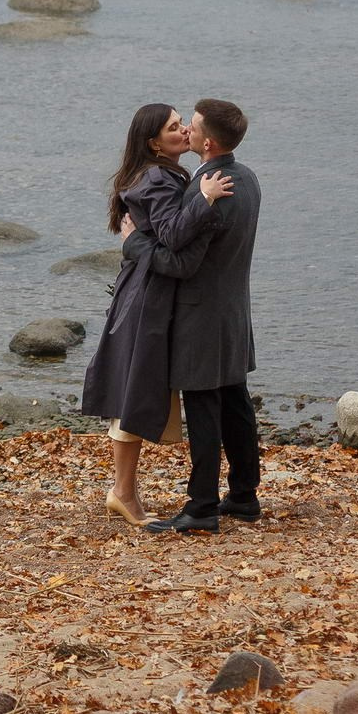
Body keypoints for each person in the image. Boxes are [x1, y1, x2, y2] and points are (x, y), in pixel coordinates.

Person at [78, 103, 231, 523]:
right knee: (136, 390)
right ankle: (123, 493)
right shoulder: (156, 179)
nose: (183, 130)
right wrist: (204, 199)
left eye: (183, 123)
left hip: (150, 292)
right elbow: (173, 234)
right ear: (153, 143)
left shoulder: (160, 174)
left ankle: (123, 491)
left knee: (139, 389)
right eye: (172, 127)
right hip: (148, 298)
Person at [125, 97, 262, 533]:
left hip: (201, 316)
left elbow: (179, 262)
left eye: (194, 125)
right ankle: (243, 496)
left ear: (208, 142)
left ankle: (201, 506)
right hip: (234, 309)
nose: (188, 130)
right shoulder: (248, 178)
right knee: (236, 403)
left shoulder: (208, 190)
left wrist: (134, 243)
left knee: (204, 409)